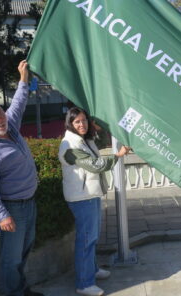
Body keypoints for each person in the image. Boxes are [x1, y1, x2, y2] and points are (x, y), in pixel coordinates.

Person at [0, 60, 44, 296]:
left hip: (28, 203)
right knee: (11, 259)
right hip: (12, 209)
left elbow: (19, 103)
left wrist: (23, 78)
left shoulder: (10, 126)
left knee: (24, 252)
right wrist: (2, 216)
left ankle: (22, 290)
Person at [58, 107, 130, 296]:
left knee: (93, 237)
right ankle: (84, 283)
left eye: (84, 120)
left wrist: (98, 128)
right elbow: (96, 165)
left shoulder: (84, 140)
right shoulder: (70, 146)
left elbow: (101, 142)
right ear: (70, 124)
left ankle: (92, 270)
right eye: (77, 122)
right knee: (86, 240)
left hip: (91, 194)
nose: (82, 124)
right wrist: (118, 155)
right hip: (82, 198)